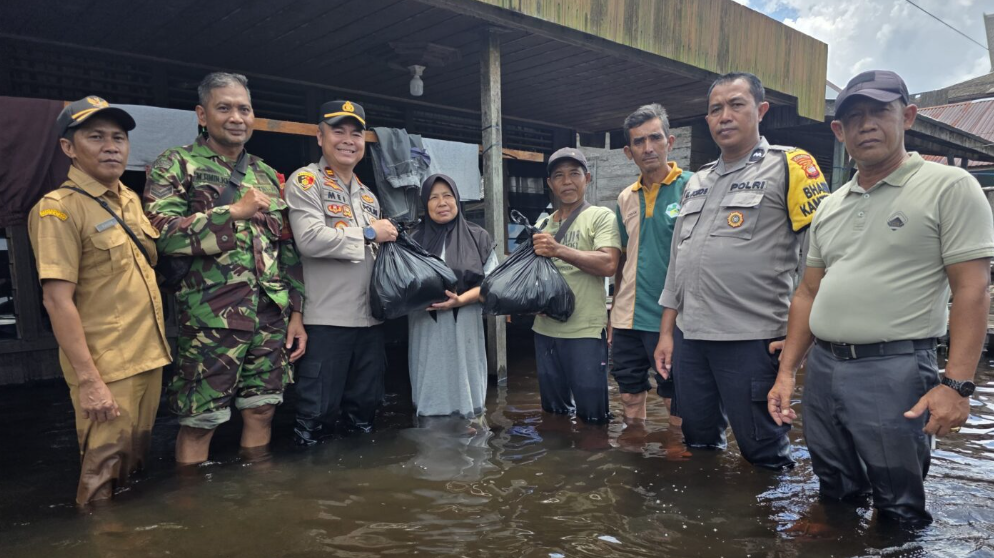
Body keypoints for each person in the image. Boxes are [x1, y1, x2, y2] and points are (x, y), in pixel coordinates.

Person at [767, 70, 994, 523]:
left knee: (898, 505)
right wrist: (787, 372)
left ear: (907, 116)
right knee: (834, 489)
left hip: (894, 369)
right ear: (839, 131)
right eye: (853, 117)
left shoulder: (949, 186)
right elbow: (808, 293)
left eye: (879, 112)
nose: (866, 124)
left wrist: (956, 386)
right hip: (825, 369)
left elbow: (972, 288)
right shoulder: (830, 205)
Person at [654, 72, 830, 469]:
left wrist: (803, 336)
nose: (725, 116)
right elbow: (677, 264)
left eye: (737, 105)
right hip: (691, 339)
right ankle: (706, 520)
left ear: (761, 111)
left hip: (752, 339)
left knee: (763, 450)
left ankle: (761, 530)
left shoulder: (790, 166)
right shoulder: (697, 180)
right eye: (716, 109)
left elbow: (819, 257)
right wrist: (668, 333)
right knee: (698, 440)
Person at [144, 72, 306, 464]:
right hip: (208, 319)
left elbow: (286, 248)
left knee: (262, 408)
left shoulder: (266, 175)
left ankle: (255, 496)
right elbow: (159, 235)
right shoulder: (177, 164)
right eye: (224, 107)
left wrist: (297, 313)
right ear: (202, 115)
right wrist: (232, 213)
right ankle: (193, 508)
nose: (236, 117)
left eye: (244, 109)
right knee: (201, 420)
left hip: (269, 316)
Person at [28, 97, 170, 504]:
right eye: (96, 137)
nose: (112, 146)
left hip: (148, 357)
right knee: (100, 477)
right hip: (107, 367)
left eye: (119, 138)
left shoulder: (130, 199)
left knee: (135, 467)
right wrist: (90, 382)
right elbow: (57, 301)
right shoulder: (57, 210)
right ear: (68, 148)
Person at [285, 100, 398, 445]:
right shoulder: (307, 181)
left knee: (365, 411)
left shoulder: (368, 197)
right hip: (327, 322)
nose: (348, 140)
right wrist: (368, 233)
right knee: (316, 413)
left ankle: (356, 485)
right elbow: (309, 240)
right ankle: (313, 488)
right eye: (338, 131)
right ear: (320, 137)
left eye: (356, 133)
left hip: (370, 322)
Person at [609, 103, 692, 424]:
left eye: (655, 138)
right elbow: (622, 260)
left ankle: (675, 463)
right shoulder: (625, 198)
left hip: (672, 319)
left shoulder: (693, 187)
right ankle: (636, 461)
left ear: (669, 142)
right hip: (628, 318)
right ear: (628, 152)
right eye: (639, 142)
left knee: (676, 400)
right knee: (629, 394)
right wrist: (614, 315)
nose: (648, 148)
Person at [532, 147, 621, 424]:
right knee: (553, 412)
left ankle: (591, 464)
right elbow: (534, 274)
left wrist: (558, 250)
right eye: (559, 175)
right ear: (550, 183)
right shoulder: (542, 223)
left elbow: (608, 264)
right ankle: (560, 463)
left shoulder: (600, 216)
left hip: (584, 330)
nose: (567, 181)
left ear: (588, 178)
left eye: (574, 174)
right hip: (544, 329)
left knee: (593, 415)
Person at [408, 174, 497, 418]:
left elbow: (492, 285)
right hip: (426, 326)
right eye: (434, 197)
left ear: (458, 200)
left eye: (448, 196)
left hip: (465, 322)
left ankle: (471, 427)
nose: (442, 202)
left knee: (467, 388)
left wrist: (460, 300)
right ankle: (431, 432)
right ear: (425, 204)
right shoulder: (412, 240)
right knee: (431, 382)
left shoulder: (478, 237)